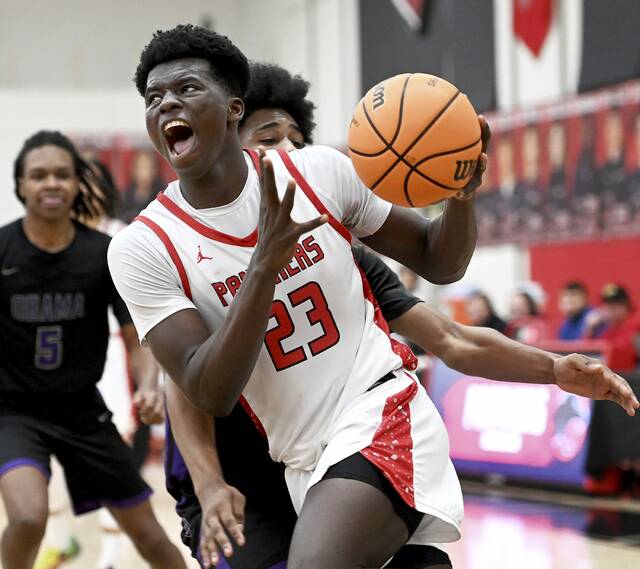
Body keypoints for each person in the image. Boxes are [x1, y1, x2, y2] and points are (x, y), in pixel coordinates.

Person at [108, 26, 637, 569]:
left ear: (233, 109)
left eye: (188, 88)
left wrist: (459, 198)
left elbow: (439, 264)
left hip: (378, 410)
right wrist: (266, 263)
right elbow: (203, 390)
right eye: (153, 98)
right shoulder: (143, 247)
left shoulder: (321, 174)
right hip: (297, 457)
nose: (167, 102)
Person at [0, 130, 187, 569]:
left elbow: (135, 333)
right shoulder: (2, 250)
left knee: (151, 537)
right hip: (14, 412)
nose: (52, 184)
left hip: (84, 412)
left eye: (63, 175)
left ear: (78, 184)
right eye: (39, 175)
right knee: (28, 517)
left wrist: (147, 383)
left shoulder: (104, 253)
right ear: (21, 185)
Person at [586, 284, 640, 372]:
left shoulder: (636, 324)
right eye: (607, 305)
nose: (610, 310)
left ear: (626, 305)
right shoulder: (608, 330)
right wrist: (590, 330)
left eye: (615, 305)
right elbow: (591, 352)